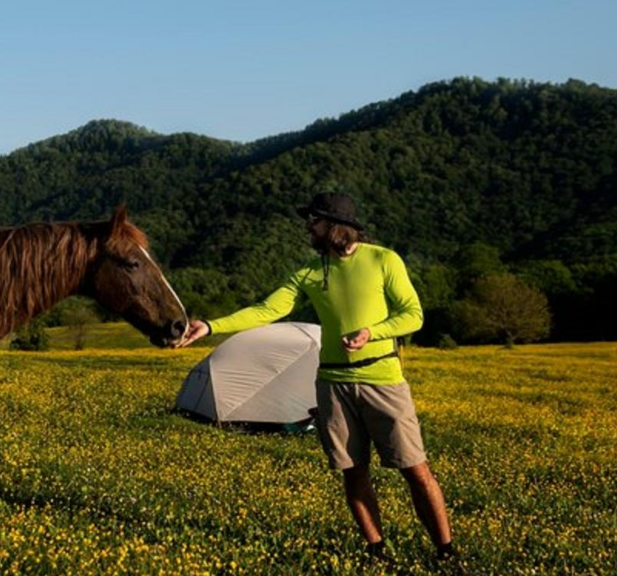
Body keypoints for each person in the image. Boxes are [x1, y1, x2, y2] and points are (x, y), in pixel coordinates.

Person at [178, 192, 456, 562]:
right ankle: (377, 551)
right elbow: (267, 310)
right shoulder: (309, 271)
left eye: (314, 220)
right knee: (353, 473)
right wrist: (212, 325)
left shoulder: (384, 260)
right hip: (332, 385)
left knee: (416, 471)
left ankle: (446, 550)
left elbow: (413, 315)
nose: (308, 227)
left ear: (336, 225)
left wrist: (371, 332)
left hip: (383, 381)